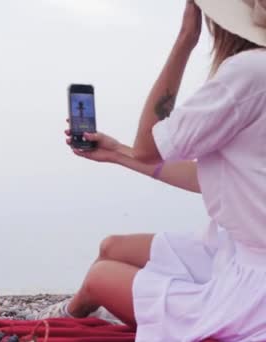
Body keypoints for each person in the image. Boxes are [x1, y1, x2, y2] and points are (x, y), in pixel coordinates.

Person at [37, 0, 266, 340]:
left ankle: (72, 316)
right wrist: (117, 153)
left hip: (253, 290)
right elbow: (216, 179)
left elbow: (148, 145)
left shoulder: (251, 70)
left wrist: (185, 39)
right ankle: (81, 310)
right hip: (238, 255)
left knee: (100, 276)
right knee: (112, 247)